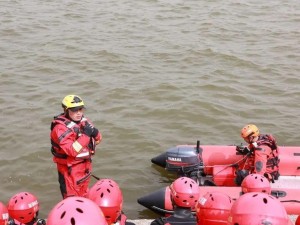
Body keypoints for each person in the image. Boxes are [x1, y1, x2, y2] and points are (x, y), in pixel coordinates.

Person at [50, 94, 102, 198]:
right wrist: (86, 135)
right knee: (72, 199)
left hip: (84, 168)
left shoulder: (83, 121)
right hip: (69, 171)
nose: (78, 113)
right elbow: (72, 151)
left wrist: (95, 132)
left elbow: (98, 139)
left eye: (80, 109)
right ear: (66, 110)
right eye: (74, 110)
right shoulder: (60, 129)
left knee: (84, 195)